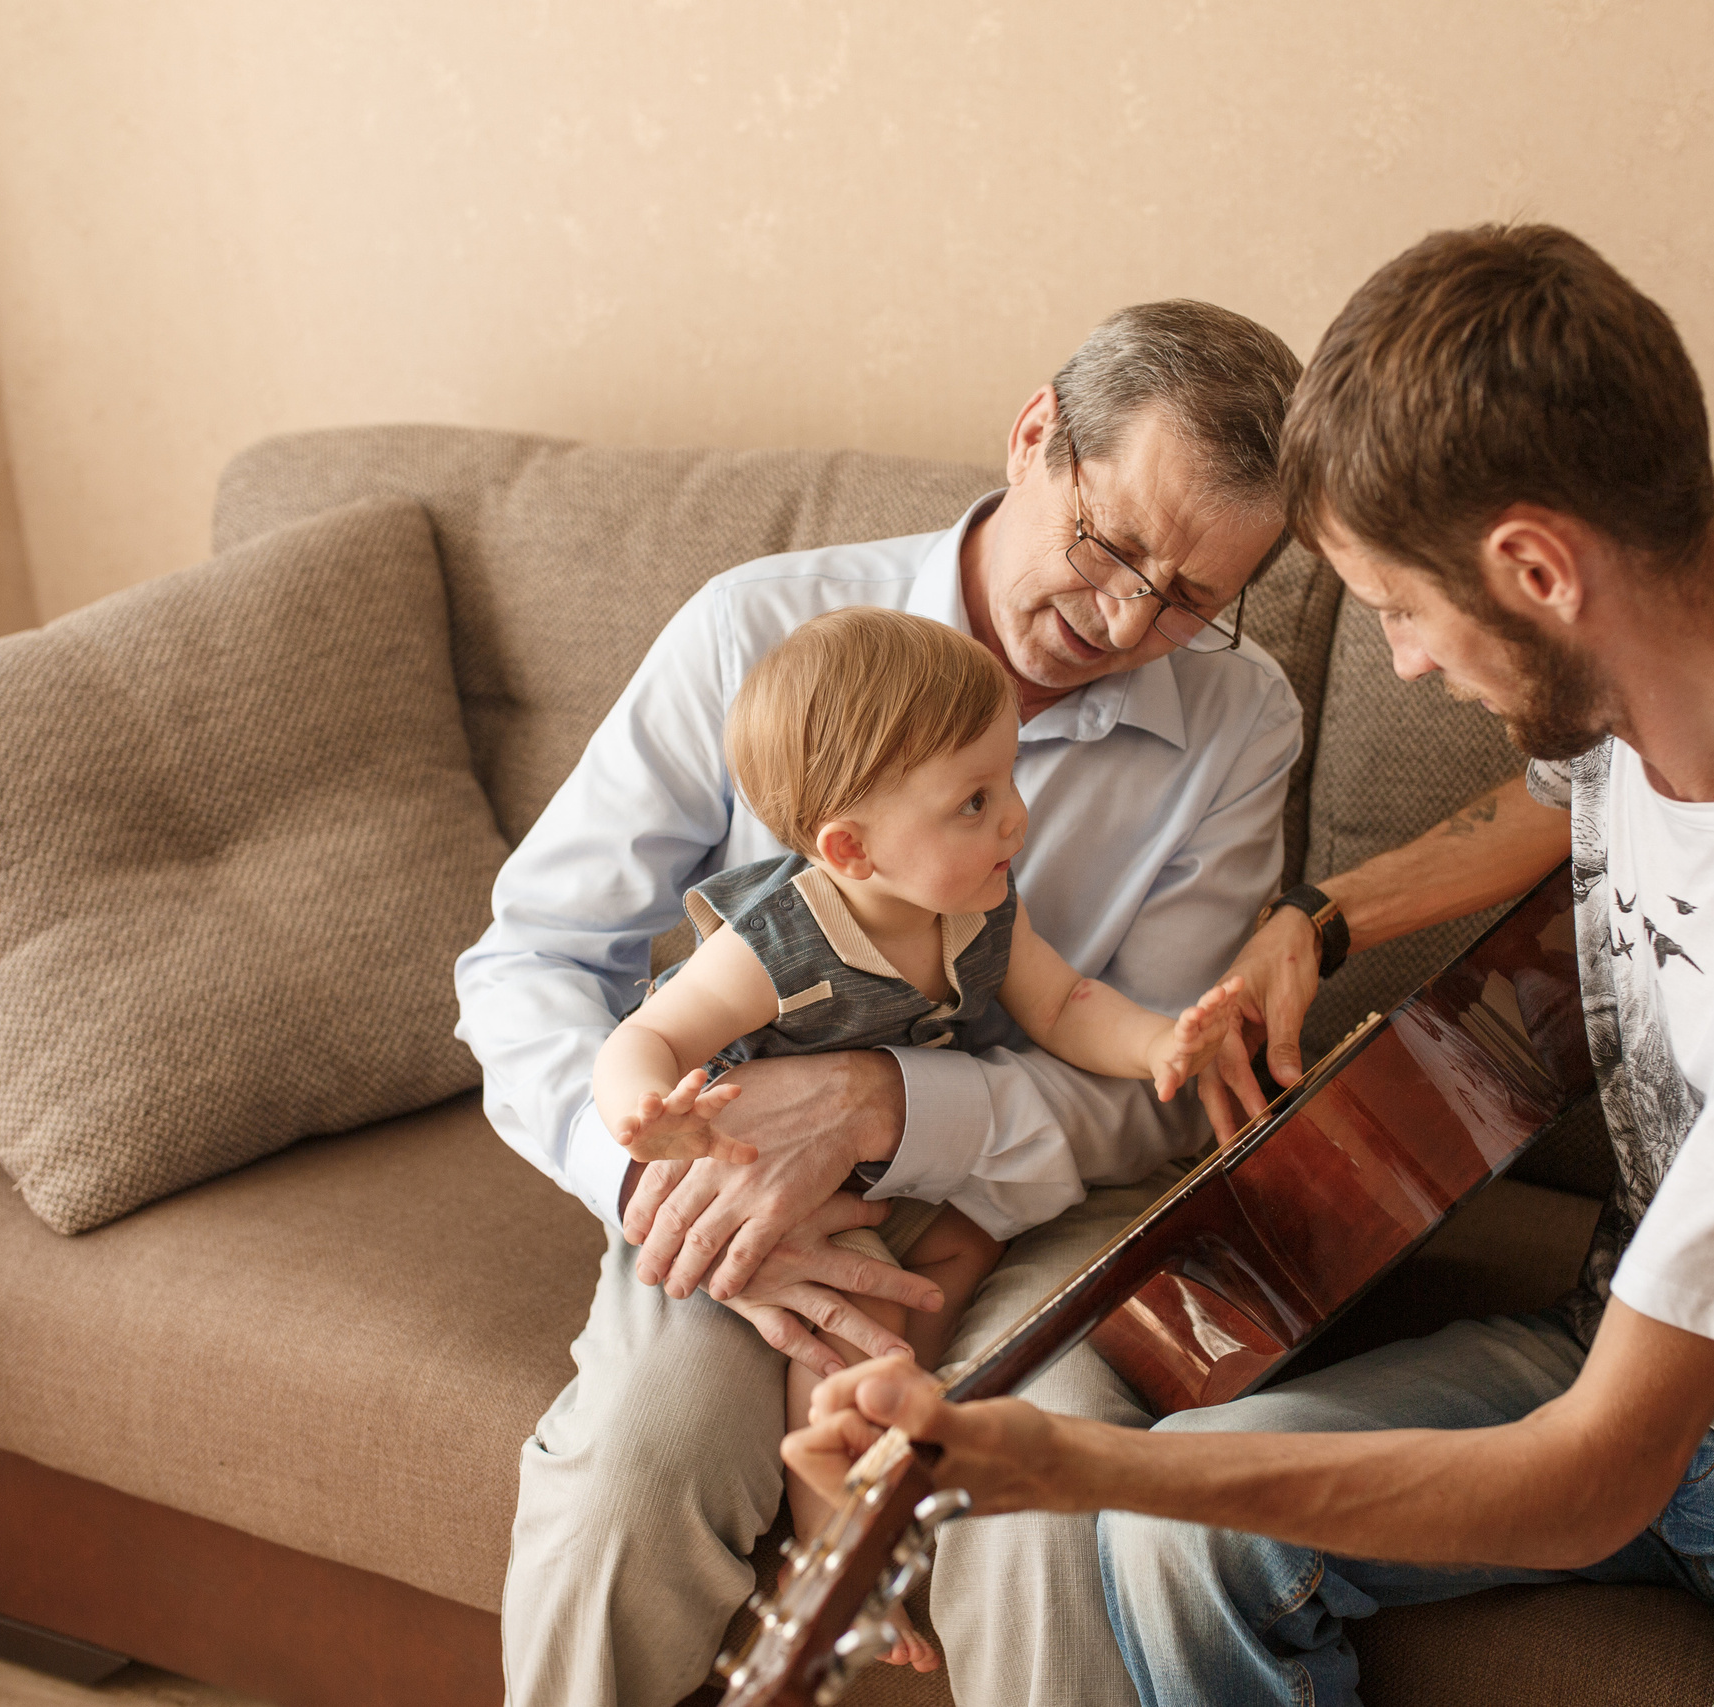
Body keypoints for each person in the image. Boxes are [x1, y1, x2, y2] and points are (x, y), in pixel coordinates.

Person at [787, 225, 1714, 1706]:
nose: (1407, 663)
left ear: (1537, 569)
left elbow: (1590, 1478)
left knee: (1146, 1494)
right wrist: (1318, 919)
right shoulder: (1691, 613)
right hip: (1622, 1347)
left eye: (1395, 608)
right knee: (1178, 1541)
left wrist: (1063, 1461)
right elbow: (1561, 793)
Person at [454, 299, 1306, 1705]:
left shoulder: (1240, 719)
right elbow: (534, 958)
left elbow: (1154, 1094)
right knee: (638, 1468)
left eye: (1190, 598)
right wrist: (660, 1177)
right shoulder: (757, 630)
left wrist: (885, 1106)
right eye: (1109, 548)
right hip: (738, 1185)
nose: (1124, 620)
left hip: (1037, 1204)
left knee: (1046, 1507)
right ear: (1034, 436)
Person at [594, 606, 1245, 1579]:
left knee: (971, 1239)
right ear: (851, 851)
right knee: (860, 1328)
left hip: (885, 1166)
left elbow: (1064, 1005)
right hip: (772, 1182)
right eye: (974, 802)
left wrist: (1158, 1042)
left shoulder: (976, 903)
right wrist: (646, 1110)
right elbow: (646, 1035)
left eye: (1007, 777)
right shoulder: (777, 945)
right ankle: (832, 1555)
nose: (1015, 817)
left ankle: (908, 1409)